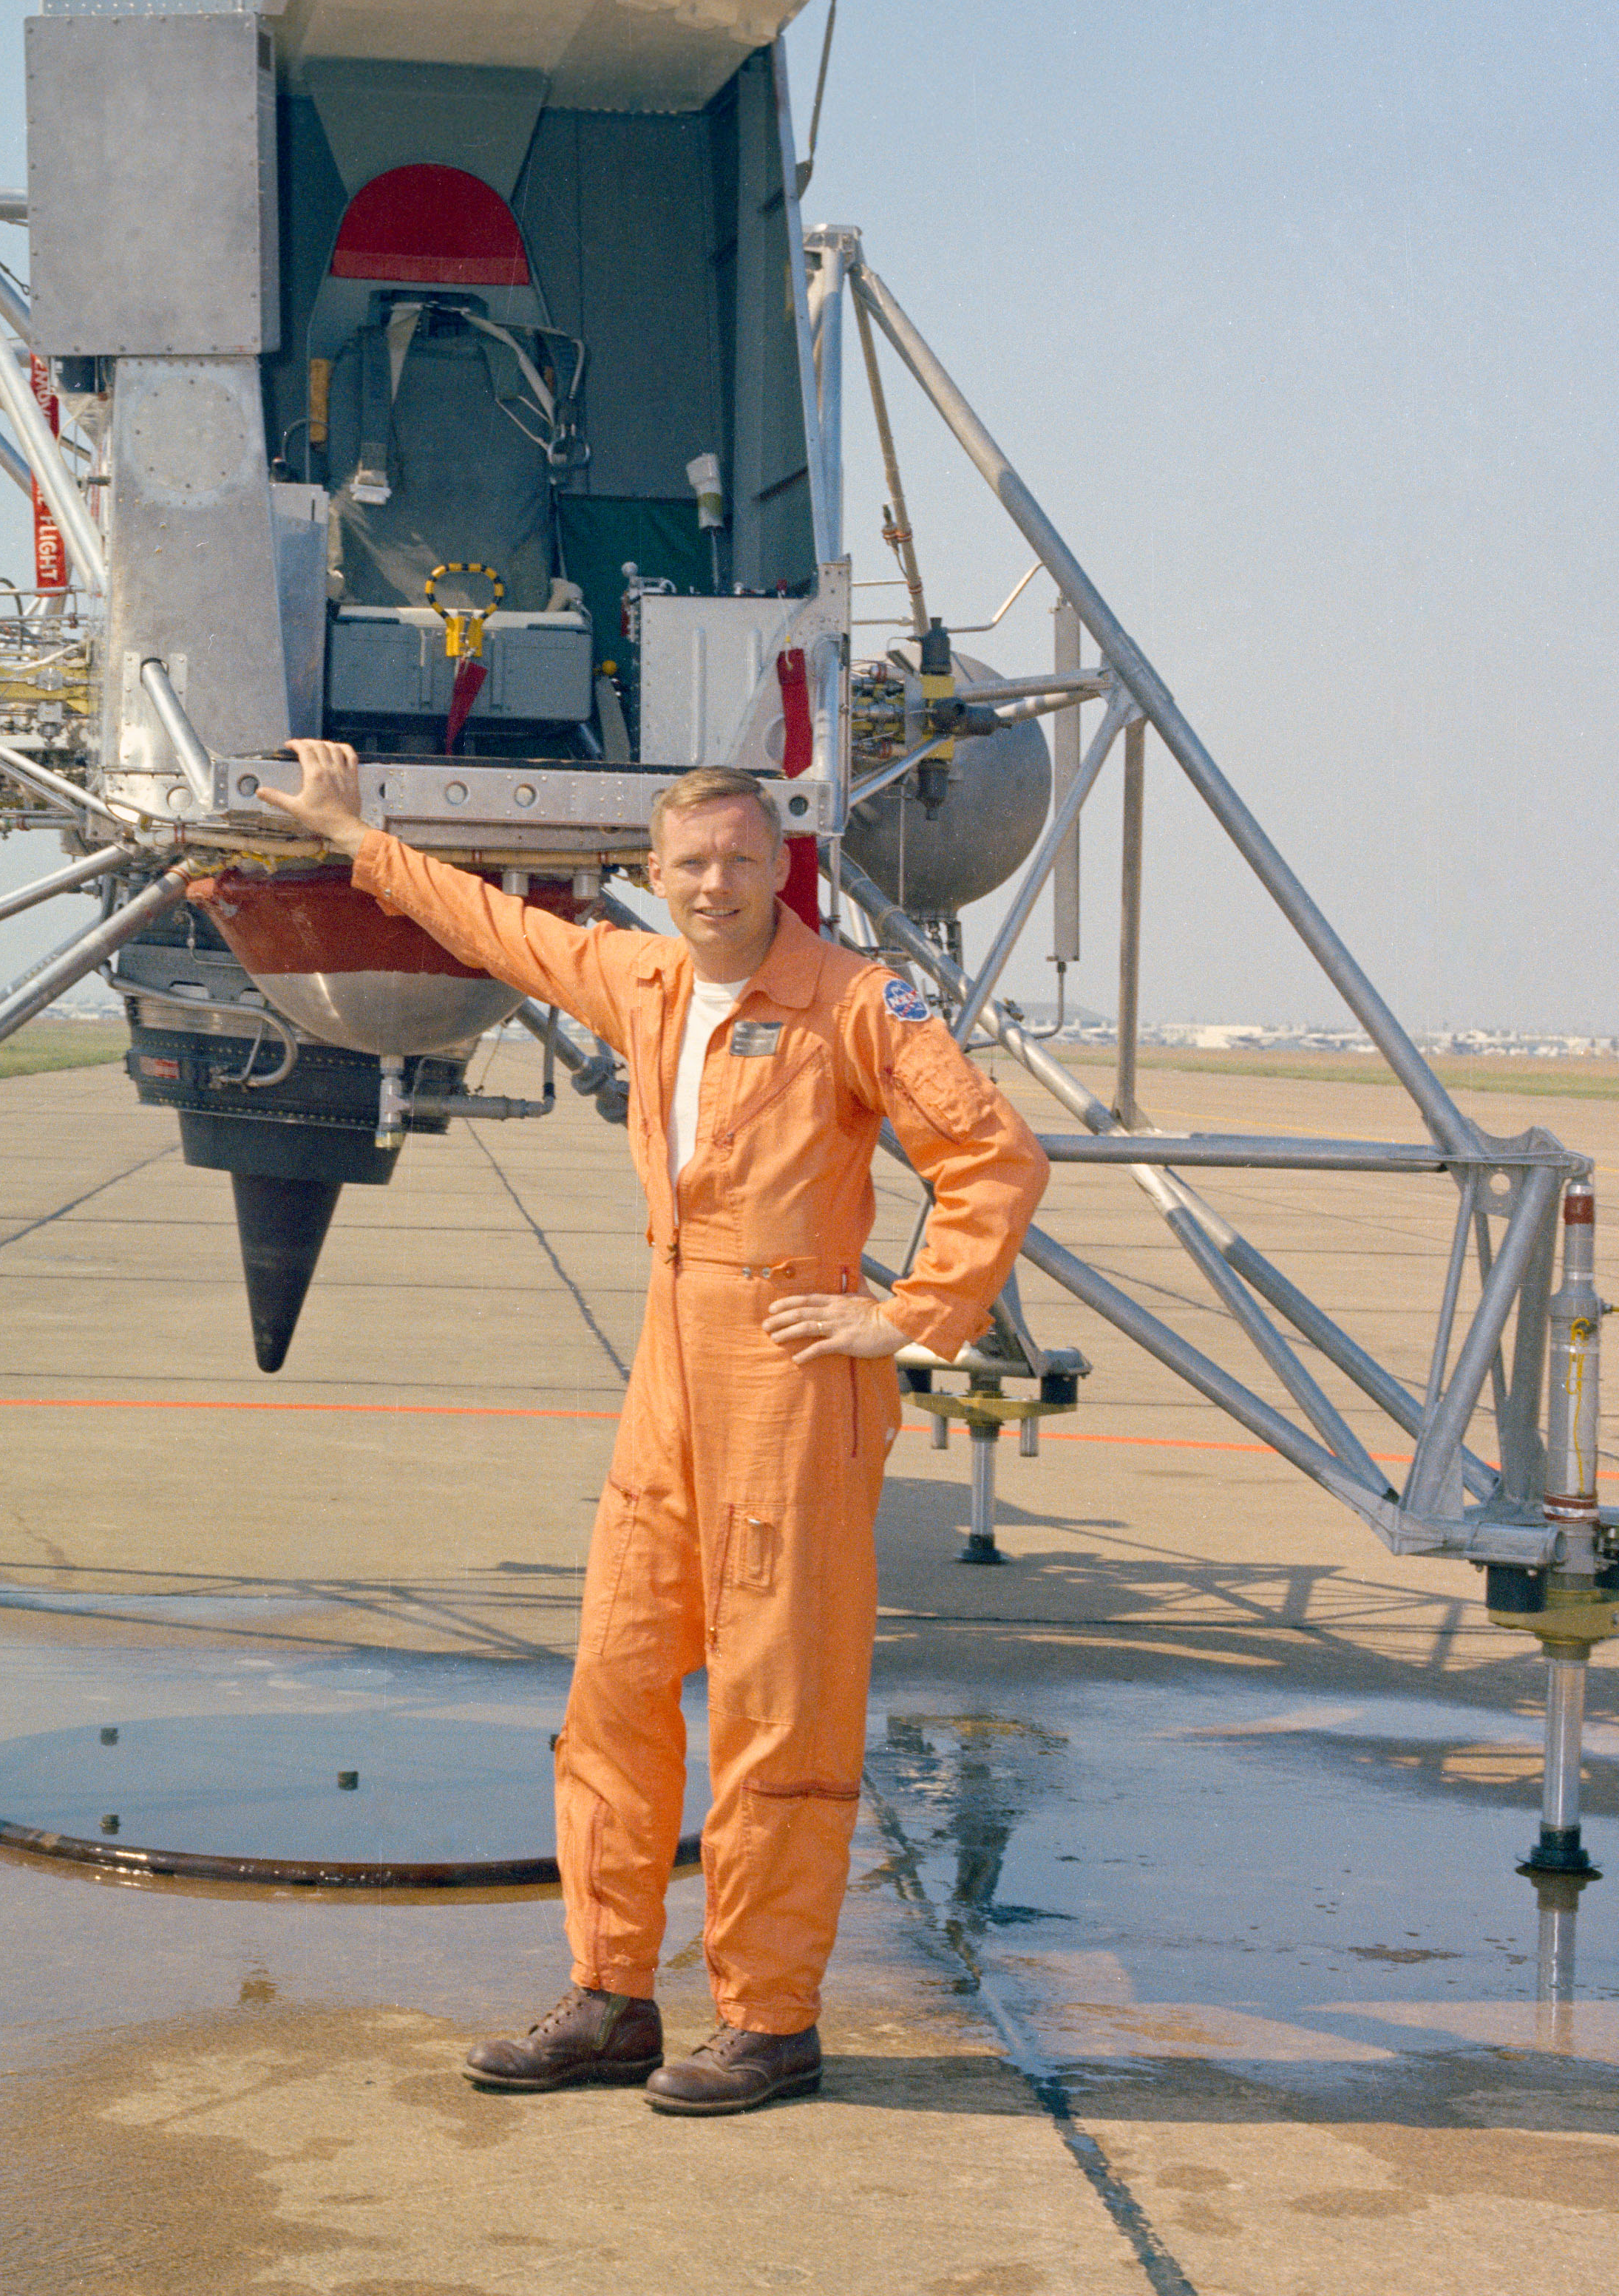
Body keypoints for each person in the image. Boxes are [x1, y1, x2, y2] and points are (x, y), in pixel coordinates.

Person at [259, 741, 1048, 2116]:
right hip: (669, 1358)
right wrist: (353, 835)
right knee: (616, 1689)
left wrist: (913, 1317)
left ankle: (768, 2020)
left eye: (742, 858)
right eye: (688, 863)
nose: (715, 883)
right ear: (652, 877)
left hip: (791, 1376)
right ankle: (612, 1996)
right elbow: (494, 926)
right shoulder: (642, 979)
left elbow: (993, 1154)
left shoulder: (860, 1000)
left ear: (780, 866)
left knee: (775, 1707)